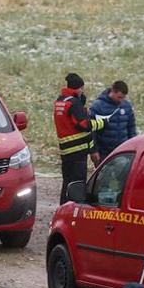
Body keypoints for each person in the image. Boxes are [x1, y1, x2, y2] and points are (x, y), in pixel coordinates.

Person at [53, 72, 104, 202]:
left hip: (66, 151)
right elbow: (84, 126)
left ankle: (63, 209)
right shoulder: (74, 103)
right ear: (77, 88)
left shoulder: (60, 101)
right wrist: (102, 123)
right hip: (78, 152)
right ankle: (73, 213)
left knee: (67, 183)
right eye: (81, 88)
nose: (82, 91)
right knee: (77, 184)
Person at [89, 80, 138, 164]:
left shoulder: (126, 106)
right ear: (113, 92)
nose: (121, 100)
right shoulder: (98, 106)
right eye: (119, 97)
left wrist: (134, 146)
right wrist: (93, 150)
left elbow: (131, 128)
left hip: (123, 152)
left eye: (123, 97)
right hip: (103, 153)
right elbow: (91, 131)